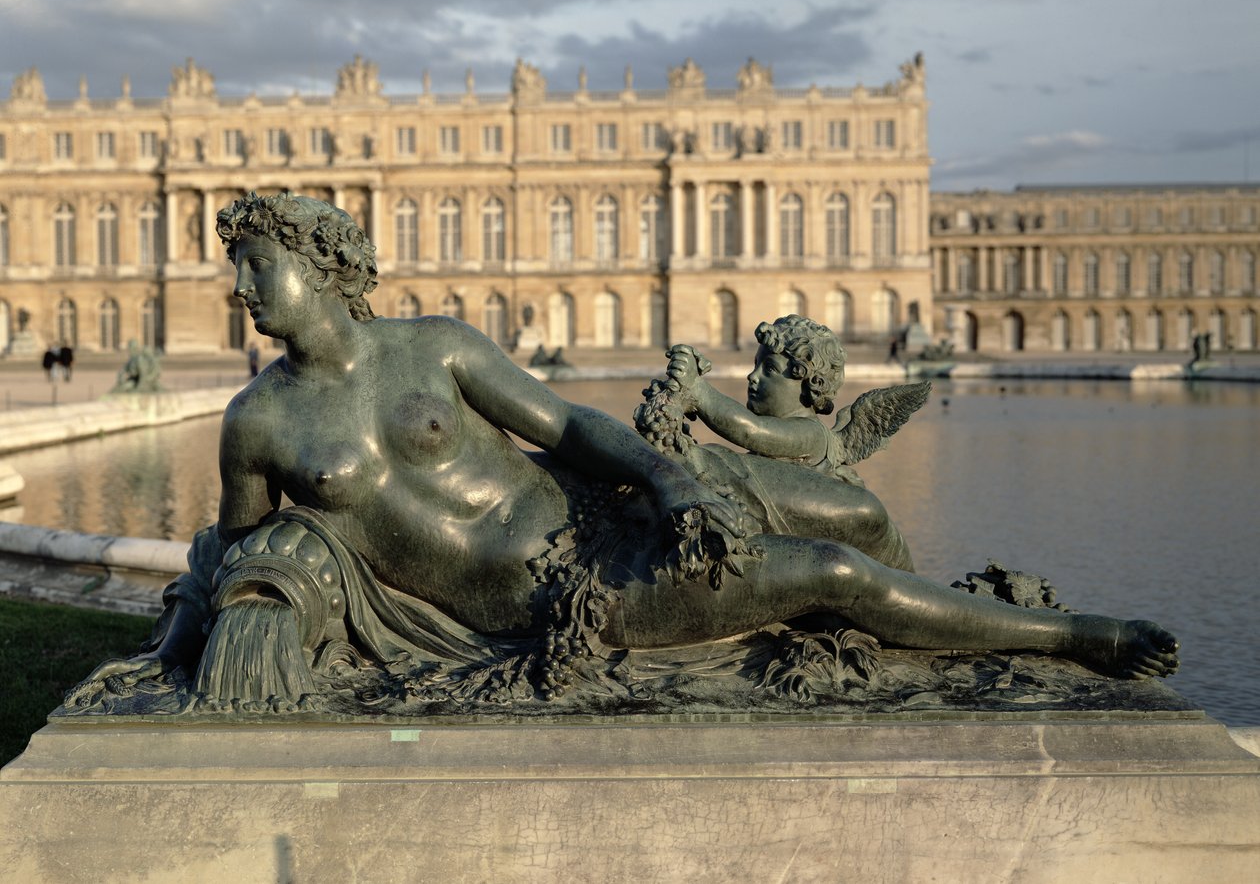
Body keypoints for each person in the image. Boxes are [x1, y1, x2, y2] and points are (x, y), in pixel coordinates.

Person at [72, 194, 1178, 711]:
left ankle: (959, 614)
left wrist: (673, 472)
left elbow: (570, 427)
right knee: (832, 575)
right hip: (557, 601)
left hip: (605, 512)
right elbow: (234, 542)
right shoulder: (255, 423)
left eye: (259, 264)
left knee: (845, 521)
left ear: (322, 264)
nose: (239, 287)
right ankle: (1078, 636)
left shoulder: (438, 347)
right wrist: (192, 624)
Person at [659, 315, 929, 487]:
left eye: (770, 370)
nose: (752, 377)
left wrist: (699, 390)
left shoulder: (812, 434)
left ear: (809, 385)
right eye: (756, 365)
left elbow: (750, 431)